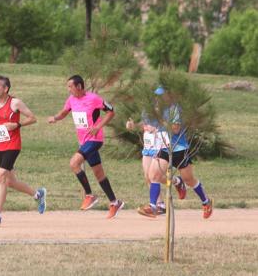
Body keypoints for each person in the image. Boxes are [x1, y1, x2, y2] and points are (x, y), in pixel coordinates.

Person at [47, 75, 124, 219]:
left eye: (70, 86)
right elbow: (65, 112)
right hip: (83, 141)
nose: (68, 89)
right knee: (99, 174)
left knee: (74, 163)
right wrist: (55, 118)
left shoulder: (94, 98)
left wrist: (98, 126)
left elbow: (111, 111)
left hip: (95, 139)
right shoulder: (71, 100)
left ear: (79, 86)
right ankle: (115, 202)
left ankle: (90, 195)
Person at [137, 86, 213, 219]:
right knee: (153, 175)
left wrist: (160, 121)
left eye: (162, 96)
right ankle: (153, 207)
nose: (158, 98)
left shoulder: (174, 109)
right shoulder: (156, 109)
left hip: (178, 149)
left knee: (189, 179)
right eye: (157, 96)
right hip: (164, 148)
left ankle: (206, 201)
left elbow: (176, 129)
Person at [0, 76, 47, 226]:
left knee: (0, 176)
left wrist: (17, 125)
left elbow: (33, 118)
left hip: (13, 145)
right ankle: (38, 194)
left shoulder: (15, 102)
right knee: (10, 181)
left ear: (5, 89)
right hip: (0, 145)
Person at [126, 110, 186, 213]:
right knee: (148, 176)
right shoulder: (147, 107)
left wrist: (157, 129)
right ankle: (160, 205)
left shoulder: (168, 109)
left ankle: (176, 183)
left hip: (161, 145)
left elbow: (173, 128)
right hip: (148, 145)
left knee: (155, 176)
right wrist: (134, 126)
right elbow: (145, 125)